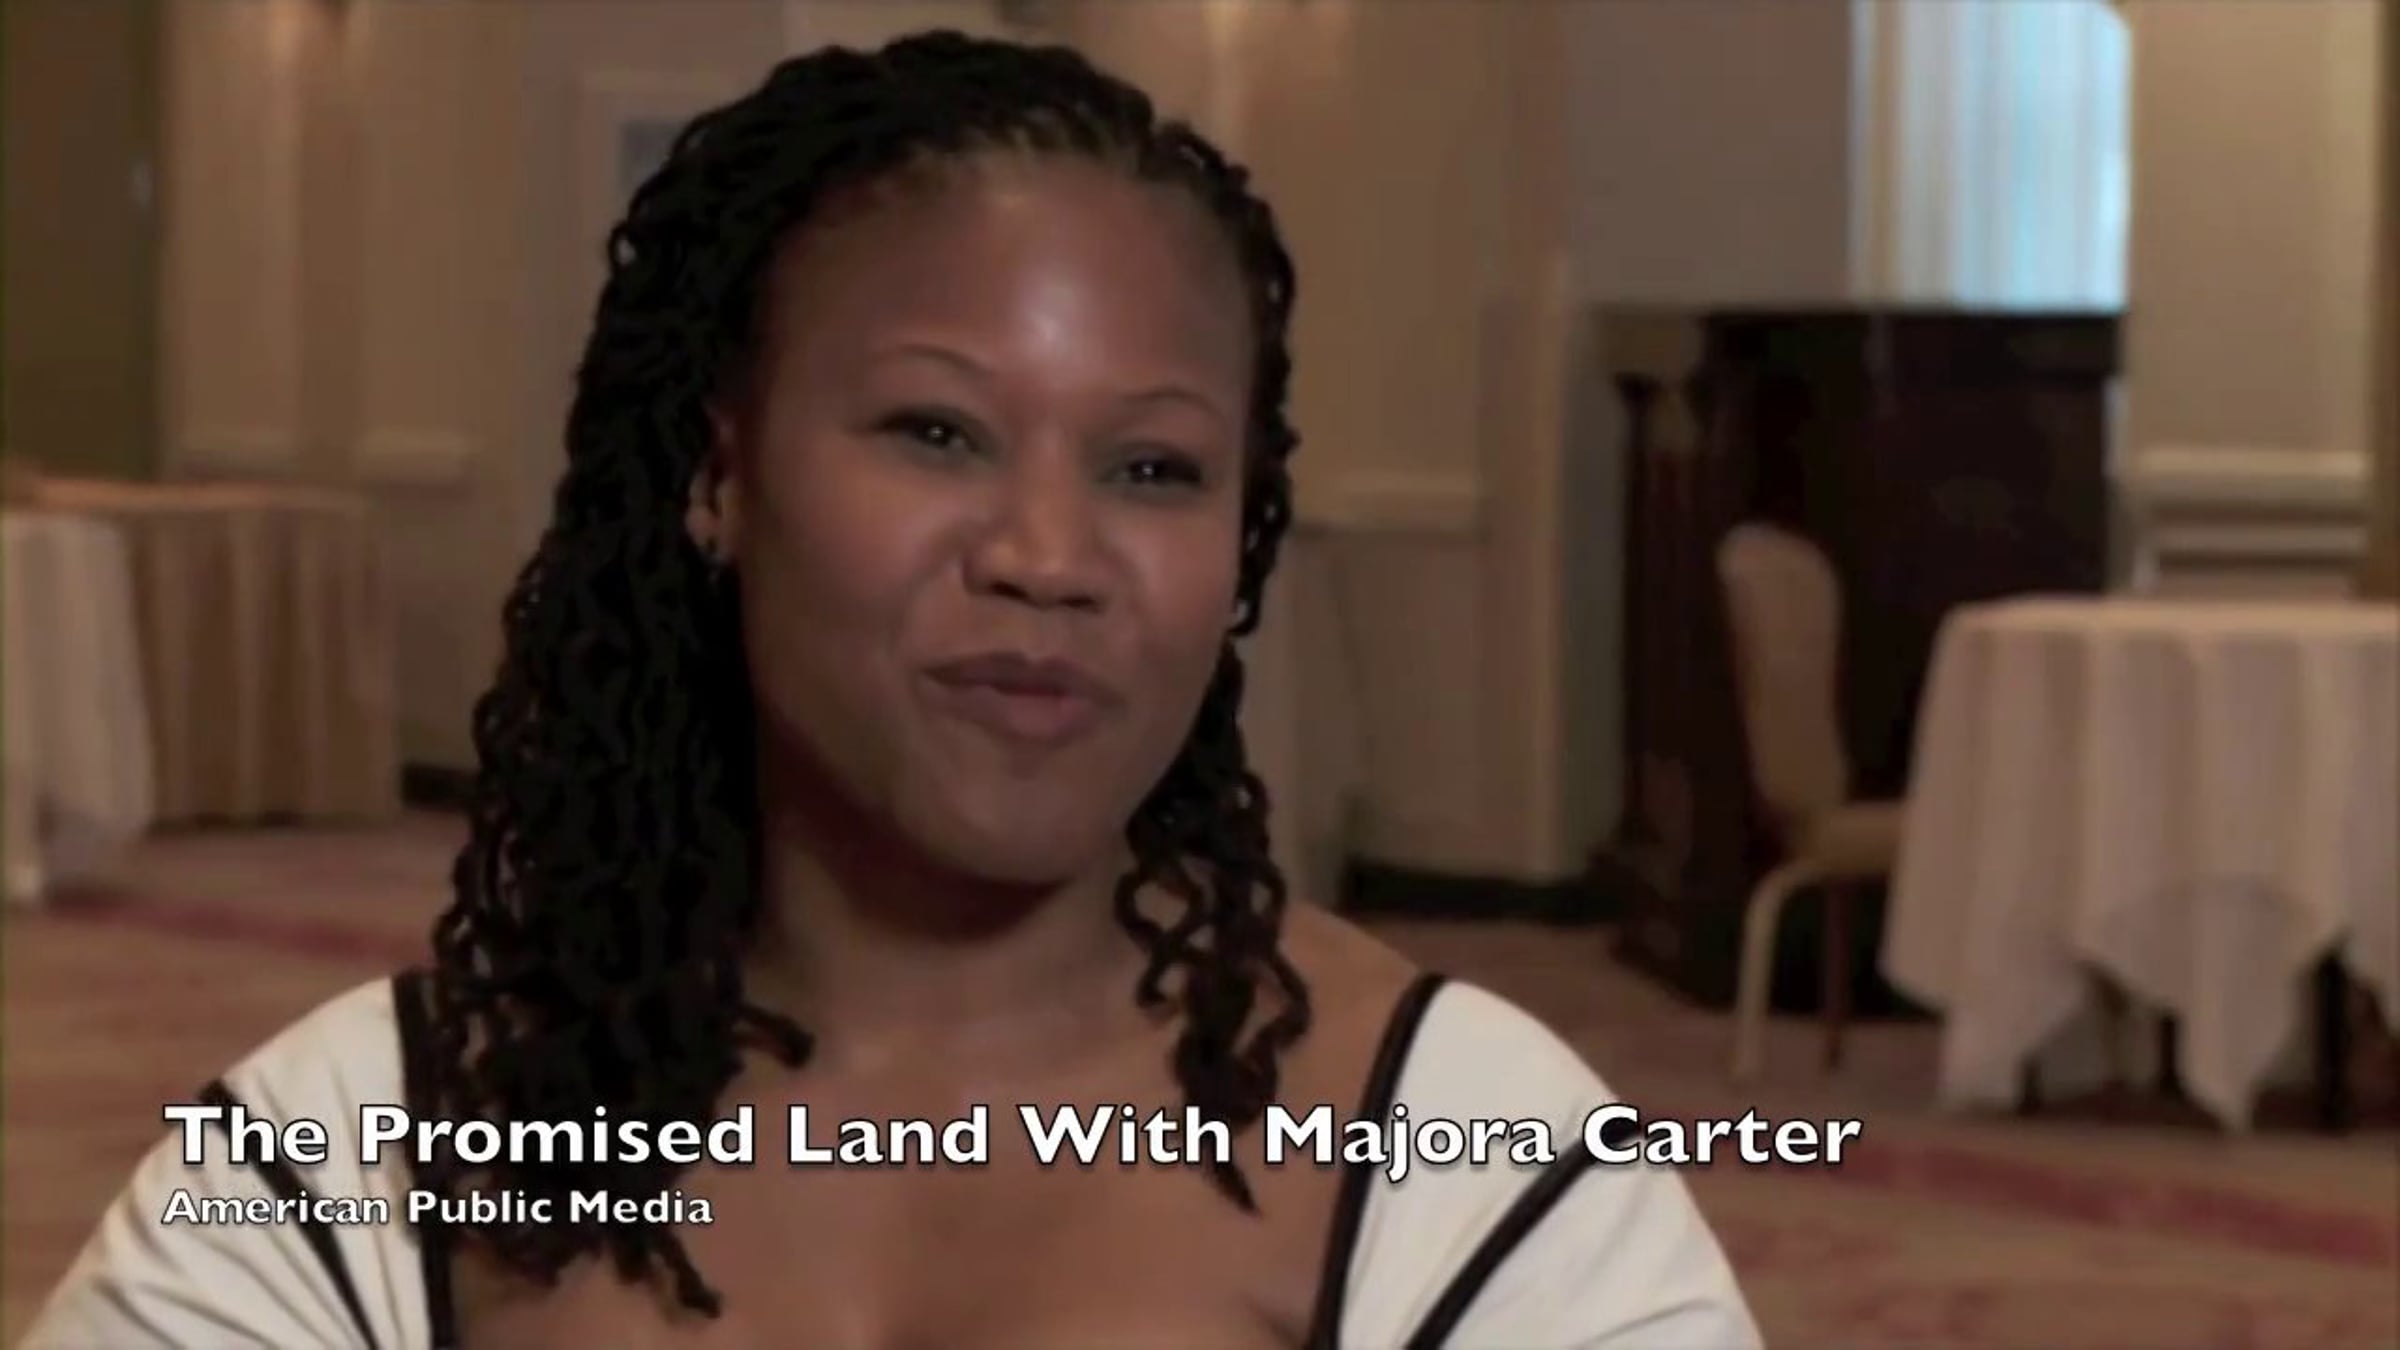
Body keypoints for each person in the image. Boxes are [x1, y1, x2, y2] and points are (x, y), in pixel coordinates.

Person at [27, 32, 1758, 1349]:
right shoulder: (346, 1160)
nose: (1050, 555)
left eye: (1155, 468)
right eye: (937, 431)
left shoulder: (1478, 1162)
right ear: (720, 474)